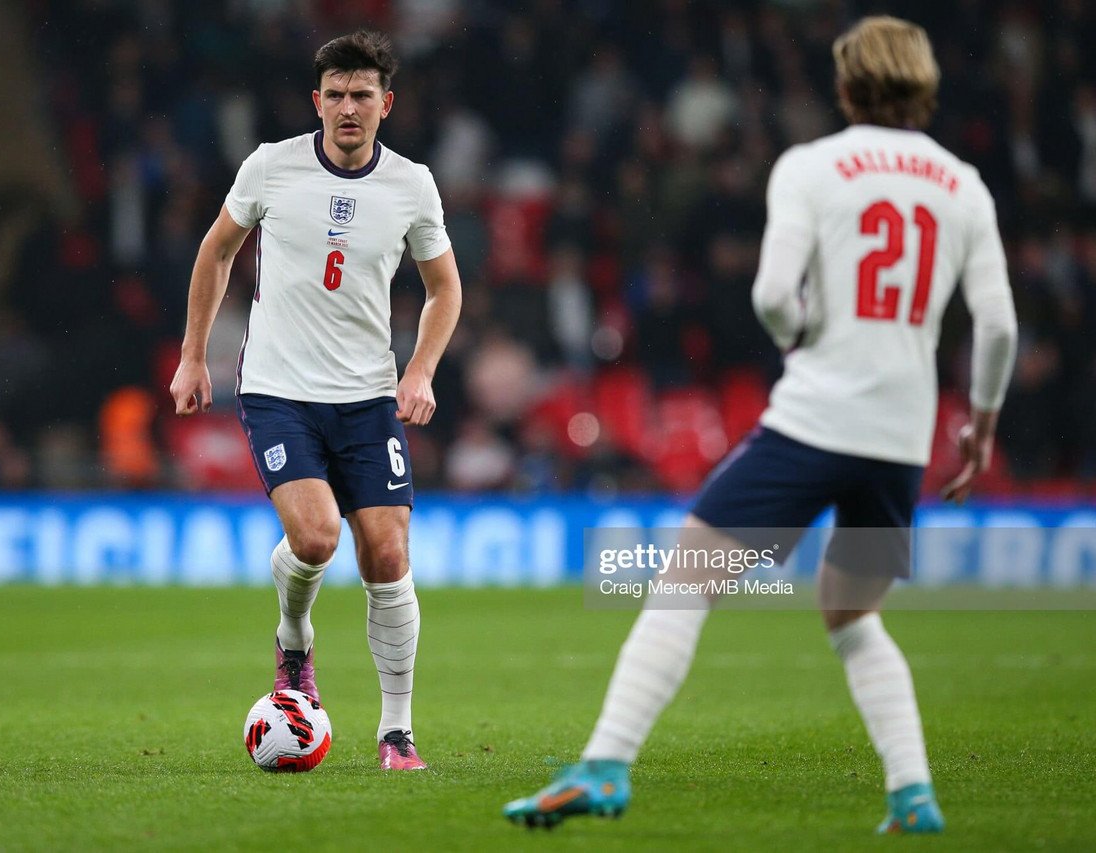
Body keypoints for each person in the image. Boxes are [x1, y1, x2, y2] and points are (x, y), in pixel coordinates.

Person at [505, 16, 1017, 832]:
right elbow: (997, 326)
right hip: (898, 439)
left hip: (816, 418)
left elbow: (774, 294)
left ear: (846, 86)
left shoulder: (813, 167)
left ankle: (603, 765)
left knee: (682, 581)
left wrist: (801, 339)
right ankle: (913, 792)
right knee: (852, 613)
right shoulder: (963, 183)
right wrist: (981, 425)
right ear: (926, 86)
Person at [169, 30, 462, 771]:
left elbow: (445, 287)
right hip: (278, 390)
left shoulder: (411, 184)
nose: (347, 107)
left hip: (366, 395)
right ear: (316, 102)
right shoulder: (271, 166)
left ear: (386, 104)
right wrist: (193, 356)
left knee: (388, 553)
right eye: (334, 94)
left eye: (362, 94)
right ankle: (293, 642)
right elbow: (216, 250)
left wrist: (421, 370)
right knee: (316, 538)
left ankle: (396, 731)